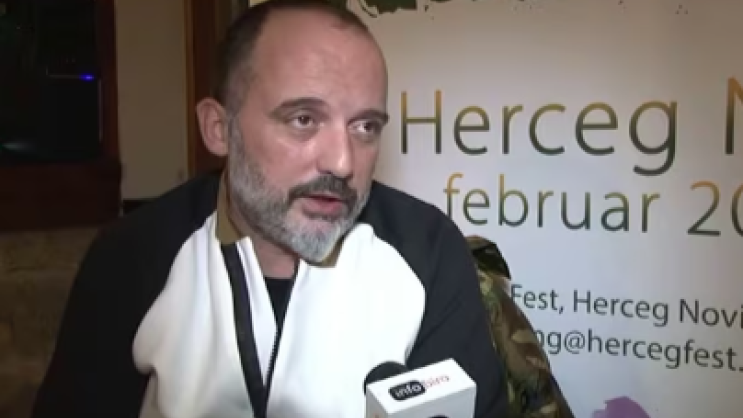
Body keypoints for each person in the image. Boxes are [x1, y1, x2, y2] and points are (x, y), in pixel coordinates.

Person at [31, 0, 510, 417]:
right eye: (303, 119)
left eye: (365, 127)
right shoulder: (132, 256)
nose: (343, 163)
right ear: (219, 129)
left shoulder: (427, 250)